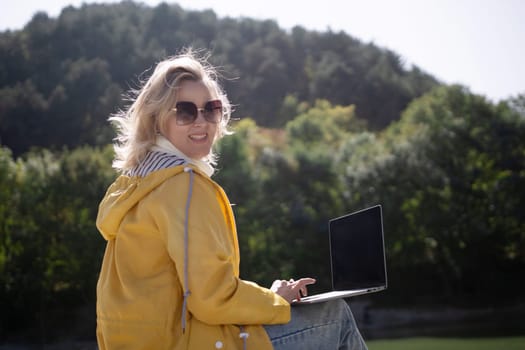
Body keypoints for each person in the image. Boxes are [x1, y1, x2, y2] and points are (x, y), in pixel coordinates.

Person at [95, 48, 368, 350]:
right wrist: (275, 301)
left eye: (210, 109)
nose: (201, 121)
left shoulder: (137, 185)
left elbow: (196, 292)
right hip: (188, 343)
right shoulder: (184, 187)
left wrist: (267, 295)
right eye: (186, 111)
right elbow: (212, 299)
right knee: (335, 316)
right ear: (158, 119)